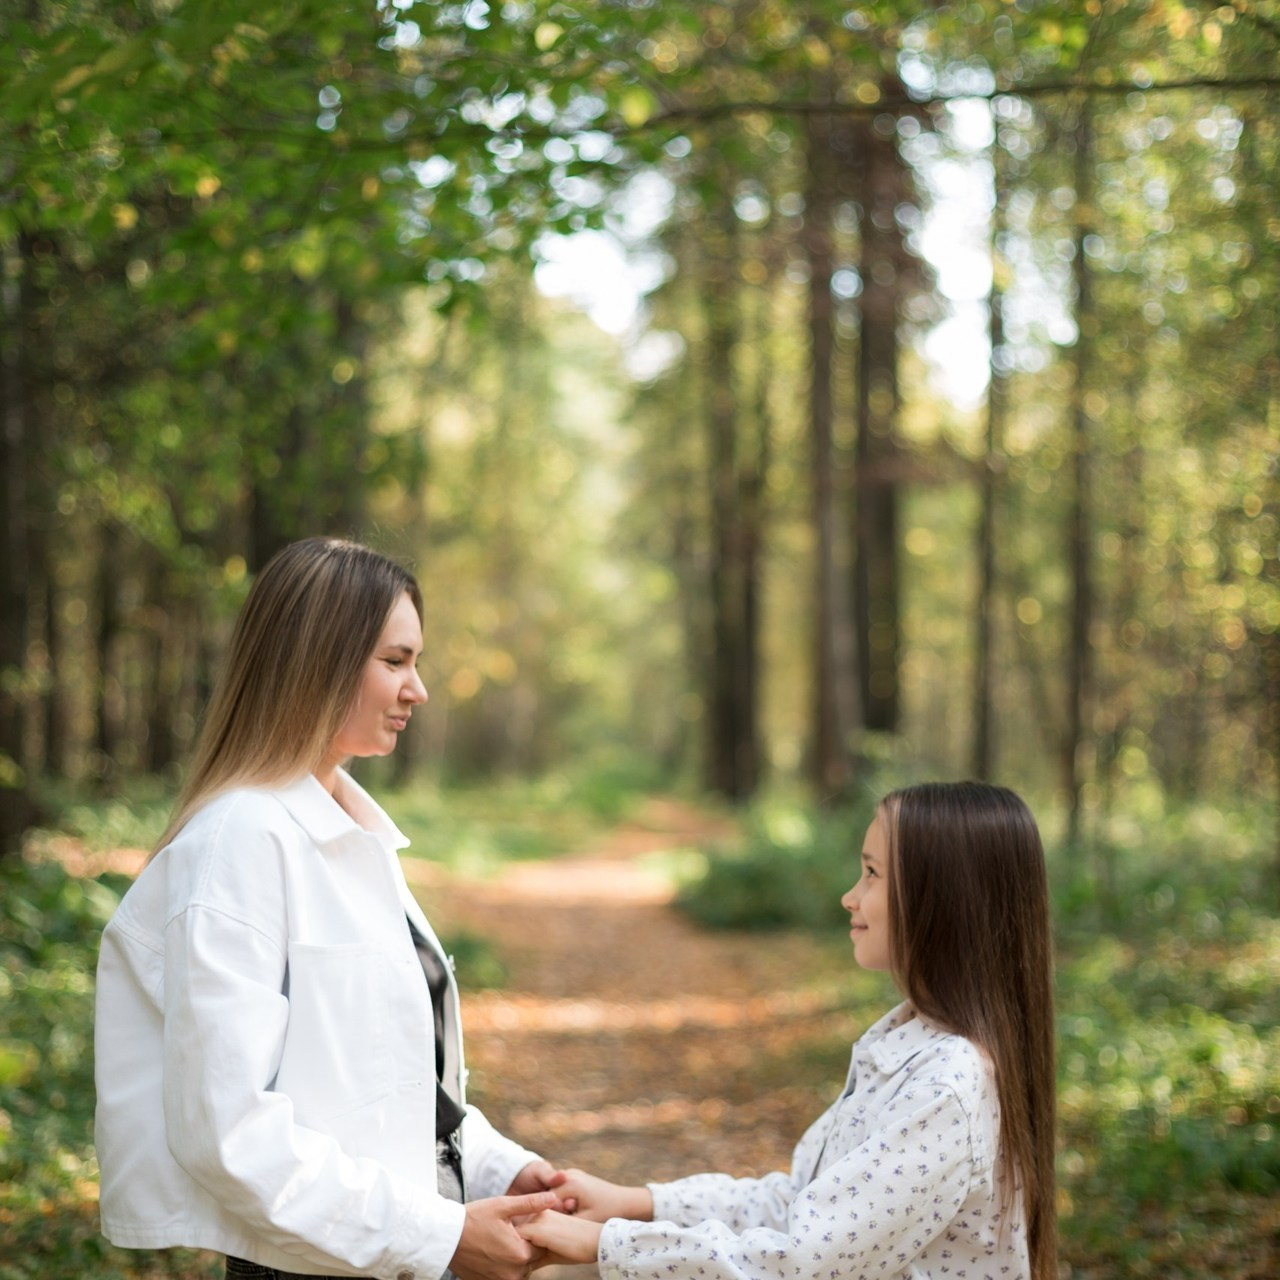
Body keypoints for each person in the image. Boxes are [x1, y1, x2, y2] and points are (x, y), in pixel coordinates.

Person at [95, 537, 567, 1280]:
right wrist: (437, 1236)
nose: (418, 690)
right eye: (395, 661)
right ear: (319, 660)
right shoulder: (238, 844)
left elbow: (384, 1083)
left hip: (392, 1247)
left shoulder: (350, 836)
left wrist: (496, 1168)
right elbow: (227, 1131)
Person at [520, 781, 1057, 1280]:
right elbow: (801, 1202)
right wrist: (638, 1203)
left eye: (872, 874)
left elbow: (803, 1262)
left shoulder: (945, 1088)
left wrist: (609, 1243)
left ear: (940, 898)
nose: (850, 896)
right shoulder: (905, 1045)